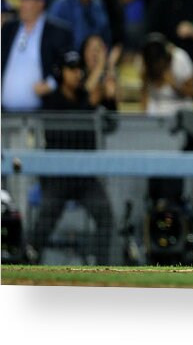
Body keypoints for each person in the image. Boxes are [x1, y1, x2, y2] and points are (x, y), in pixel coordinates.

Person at [30, 50, 114, 265]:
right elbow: (62, 132)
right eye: (72, 69)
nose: (77, 74)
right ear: (61, 73)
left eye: (79, 69)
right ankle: (28, 261)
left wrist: (109, 98)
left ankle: (102, 265)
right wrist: (89, 107)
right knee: (44, 222)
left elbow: (111, 124)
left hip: (85, 176)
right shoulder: (52, 100)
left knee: (105, 214)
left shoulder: (87, 97)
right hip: (58, 175)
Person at [1, 0, 73, 111]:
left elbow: (66, 63)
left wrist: (52, 83)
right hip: (5, 115)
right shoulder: (8, 28)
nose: (21, 4)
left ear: (40, 3)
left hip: (40, 115)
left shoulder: (57, 31)